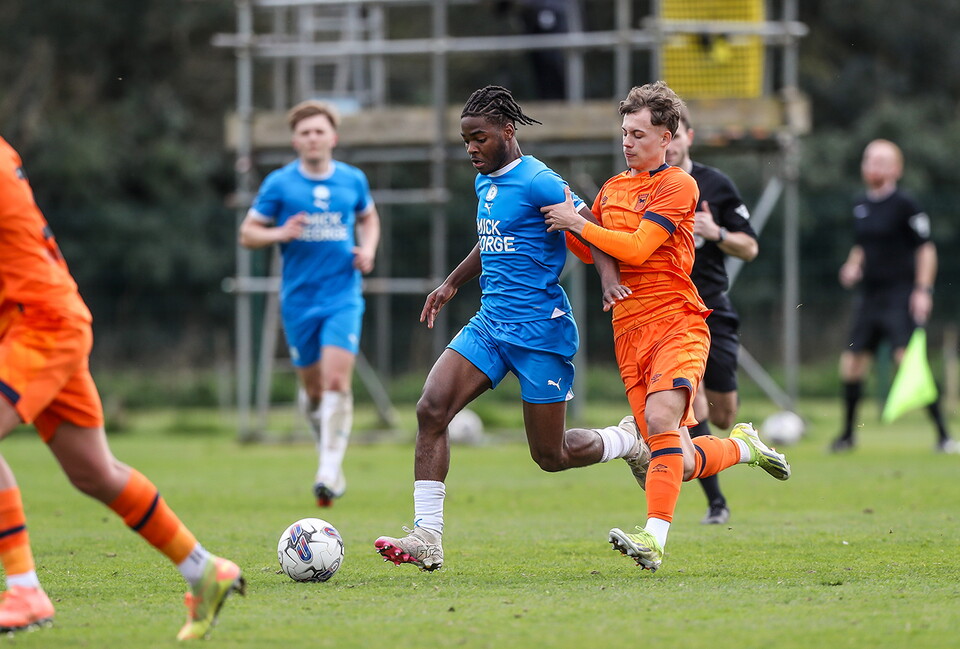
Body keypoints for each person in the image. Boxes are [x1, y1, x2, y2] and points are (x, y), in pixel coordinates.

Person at [373, 85, 643, 572]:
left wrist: (608, 281)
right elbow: (493, 237)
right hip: (490, 324)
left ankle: (628, 441)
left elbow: (590, 227)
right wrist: (451, 283)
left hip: (540, 332)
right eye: (465, 141)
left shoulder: (540, 180)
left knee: (550, 455)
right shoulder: (485, 182)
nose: (472, 148)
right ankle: (427, 535)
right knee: (431, 408)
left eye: (479, 138)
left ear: (508, 131)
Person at [0, 135, 244, 639]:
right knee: (95, 472)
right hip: (40, 321)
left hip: (40, 324)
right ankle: (203, 570)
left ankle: (24, 589)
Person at [542, 81, 790, 572]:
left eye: (638, 134)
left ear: (666, 137)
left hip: (677, 321)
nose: (627, 142)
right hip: (627, 332)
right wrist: (555, 217)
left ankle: (653, 539)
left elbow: (636, 248)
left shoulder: (679, 185)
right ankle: (742, 446)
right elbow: (595, 251)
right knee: (680, 455)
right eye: (624, 133)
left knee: (659, 423)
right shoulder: (612, 188)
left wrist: (579, 223)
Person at [239, 100, 381, 506]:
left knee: (337, 382)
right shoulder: (280, 184)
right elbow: (248, 233)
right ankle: (327, 453)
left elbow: (368, 218)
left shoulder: (352, 179)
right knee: (315, 392)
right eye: (305, 133)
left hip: (343, 295)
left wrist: (368, 250)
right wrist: (279, 233)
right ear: (295, 141)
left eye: (319, 131)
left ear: (332, 137)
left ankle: (328, 470)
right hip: (299, 300)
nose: (313, 138)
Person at [664, 106, 760, 525]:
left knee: (723, 415)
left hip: (713, 307)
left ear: (689, 137)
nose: (669, 144)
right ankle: (717, 503)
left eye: (675, 135)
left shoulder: (716, 185)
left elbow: (750, 247)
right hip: (670, 310)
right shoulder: (643, 186)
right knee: (692, 398)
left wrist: (716, 232)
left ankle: (738, 446)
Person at [831, 139, 957, 454]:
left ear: (896, 169)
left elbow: (925, 249)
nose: (873, 166)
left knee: (909, 362)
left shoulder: (906, 204)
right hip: (869, 297)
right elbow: (862, 245)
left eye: (881, 161)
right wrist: (853, 266)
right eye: (869, 159)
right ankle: (847, 436)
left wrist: (923, 290)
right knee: (852, 363)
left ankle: (944, 436)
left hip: (899, 294)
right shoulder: (861, 204)